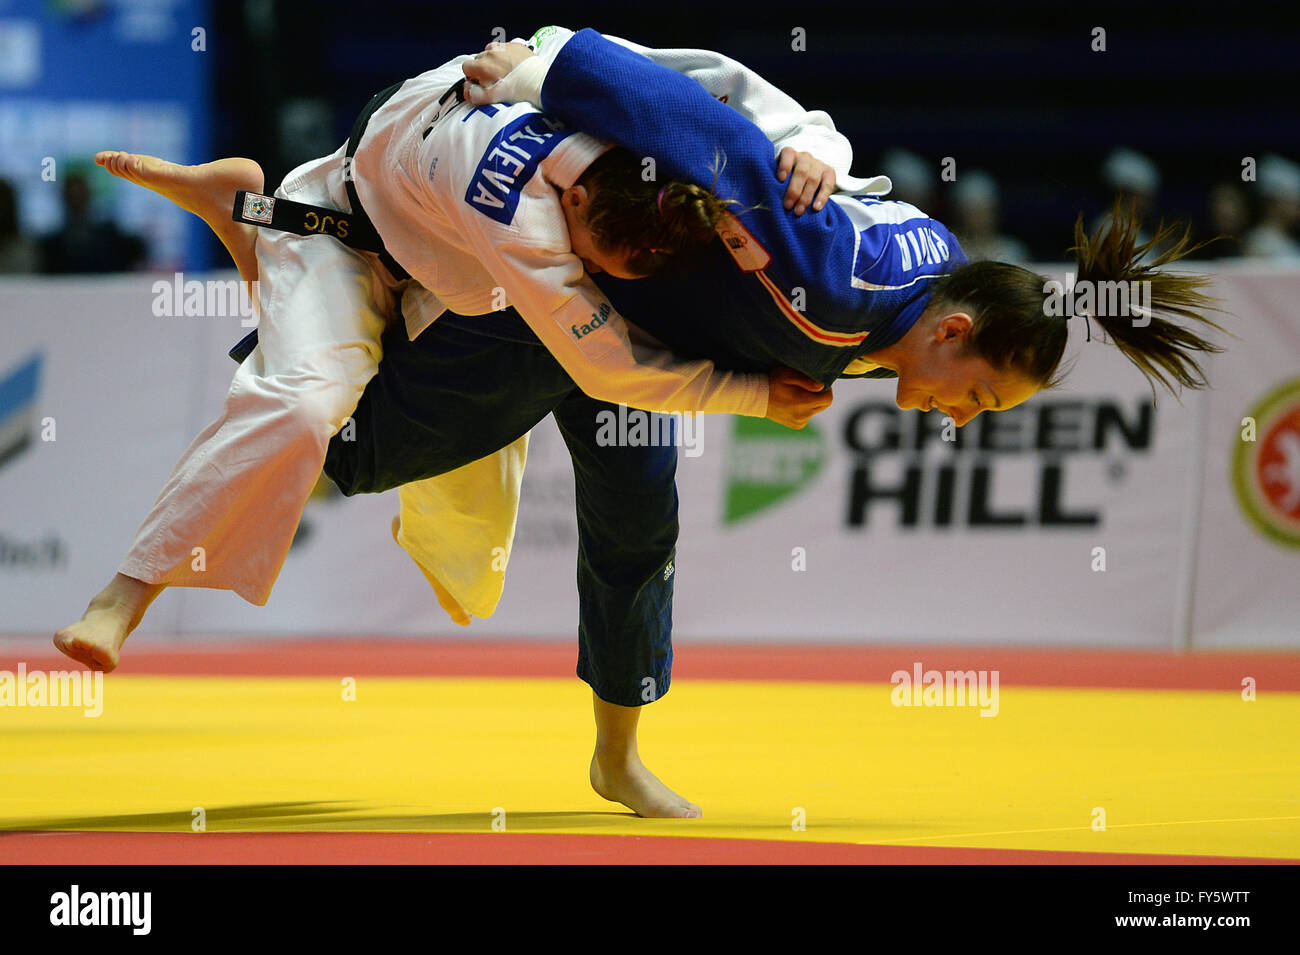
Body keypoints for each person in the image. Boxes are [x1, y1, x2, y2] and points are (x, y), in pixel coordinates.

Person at [54, 34, 854, 819]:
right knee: (312, 418)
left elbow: (737, 92)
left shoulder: (615, 84)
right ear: (573, 202)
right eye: (600, 261)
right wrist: (755, 395)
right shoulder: (520, 211)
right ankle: (124, 592)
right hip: (341, 233)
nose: (602, 274)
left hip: (458, 262)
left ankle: (619, 758)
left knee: (640, 514)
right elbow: (607, 364)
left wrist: (816, 144)